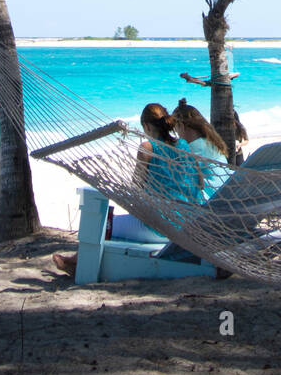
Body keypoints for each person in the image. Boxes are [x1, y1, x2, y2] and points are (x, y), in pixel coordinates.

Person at [52, 102, 200, 277]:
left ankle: (76, 264)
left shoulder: (147, 148)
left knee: (102, 224)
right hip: (187, 225)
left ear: (145, 125)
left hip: (158, 227)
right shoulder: (183, 145)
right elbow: (200, 181)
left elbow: (135, 188)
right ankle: (76, 261)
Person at [172, 98, 231, 199]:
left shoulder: (193, 148)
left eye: (175, 129)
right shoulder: (211, 142)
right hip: (227, 192)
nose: (176, 134)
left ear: (182, 126)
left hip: (212, 198)